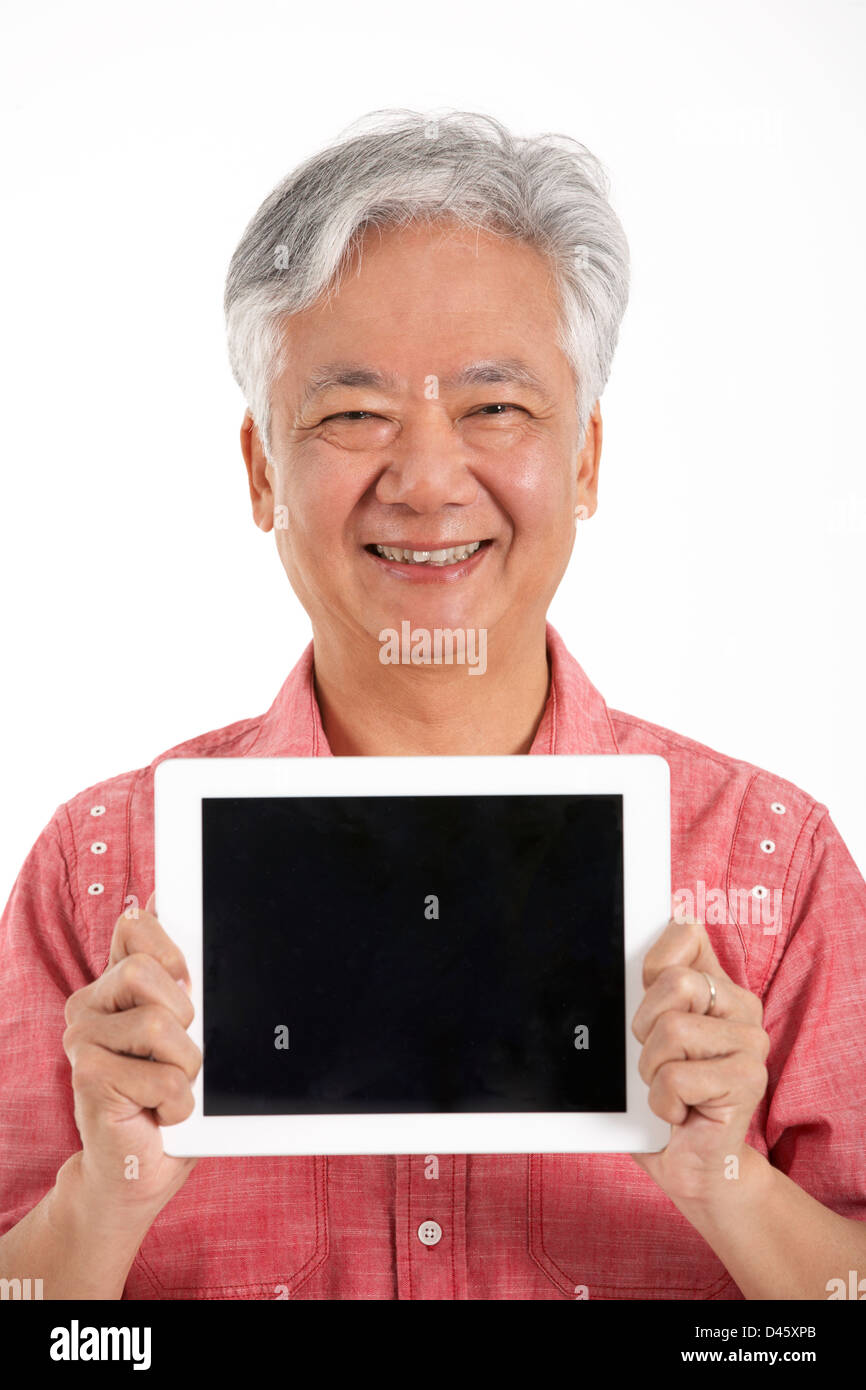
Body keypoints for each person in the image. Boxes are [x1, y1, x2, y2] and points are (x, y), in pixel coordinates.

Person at [1, 109, 864, 1301]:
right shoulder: (100, 875)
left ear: (585, 461)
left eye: (493, 408)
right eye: (351, 414)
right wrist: (104, 1199)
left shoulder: (774, 863)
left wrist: (729, 1180)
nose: (422, 480)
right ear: (261, 470)